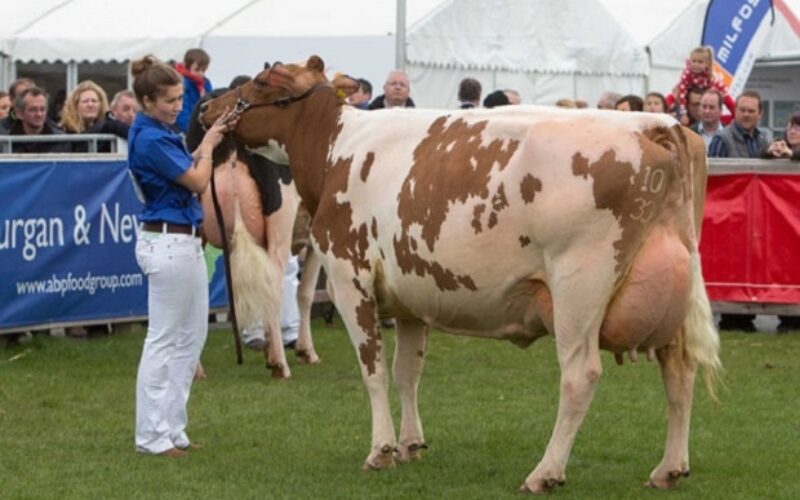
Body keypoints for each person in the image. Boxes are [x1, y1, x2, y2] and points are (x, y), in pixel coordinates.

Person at [128, 54, 235, 457]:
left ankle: (172, 427)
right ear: (146, 101)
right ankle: (150, 435)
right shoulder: (151, 139)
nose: (177, 106)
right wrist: (207, 150)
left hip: (181, 241)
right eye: (169, 100)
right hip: (168, 241)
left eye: (178, 98)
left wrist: (206, 143)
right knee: (164, 340)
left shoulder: (158, 132)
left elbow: (189, 169)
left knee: (191, 337)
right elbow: (197, 180)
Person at [708, 90, 769, 332]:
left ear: (759, 114)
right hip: (729, 216)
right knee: (730, 265)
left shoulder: (764, 139)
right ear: (735, 111)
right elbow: (714, 181)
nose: (745, 115)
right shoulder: (722, 139)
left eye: (751, 111)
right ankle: (731, 317)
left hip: (756, 218)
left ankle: (748, 315)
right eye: (742, 110)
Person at [668, 46, 735, 124]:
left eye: (708, 106)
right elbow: (667, 104)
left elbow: (736, 114)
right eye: (696, 104)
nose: (702, 110)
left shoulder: (713, 80)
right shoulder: (686, 79)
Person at [0, 87, 70, 153]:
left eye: (42, 109)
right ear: (19, 114)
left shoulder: (60, 140)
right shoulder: (4, 141)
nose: (39, 114)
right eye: (33, 110)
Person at [59, 80, 111, 151]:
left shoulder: (108, 127)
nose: (90, 105)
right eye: (85, 101)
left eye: (94, 101)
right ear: (75, 105)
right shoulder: (64, 131)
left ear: (100, 105)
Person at [174, 48, 213, 133]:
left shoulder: (205, 83)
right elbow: (182, 112)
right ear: (187, 66)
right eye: (197, 70)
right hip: (186, 129)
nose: (201, 73)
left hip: (201, 125)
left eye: (203, 70)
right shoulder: (183, 84)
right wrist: (192, 131)